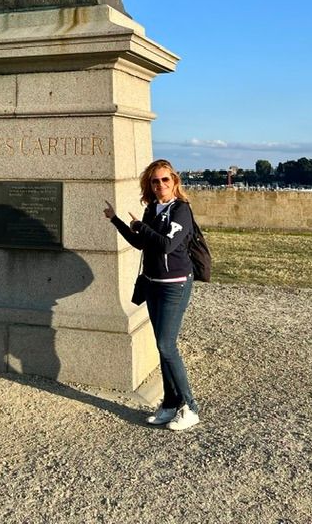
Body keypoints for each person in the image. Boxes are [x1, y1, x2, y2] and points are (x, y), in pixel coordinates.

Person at [103, 159, 200, 430]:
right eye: (155, 181)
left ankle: (190, 407)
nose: (160, 185)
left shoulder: (181, 210)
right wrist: (117, 221)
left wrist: (141, 227)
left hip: (175, 284)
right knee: (162, 346)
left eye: (165, 180)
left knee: (167, 346)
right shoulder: (152, 210)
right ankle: (169, 404)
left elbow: (167, 245)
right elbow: (141, 243)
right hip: (152, 282)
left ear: (175, 182)